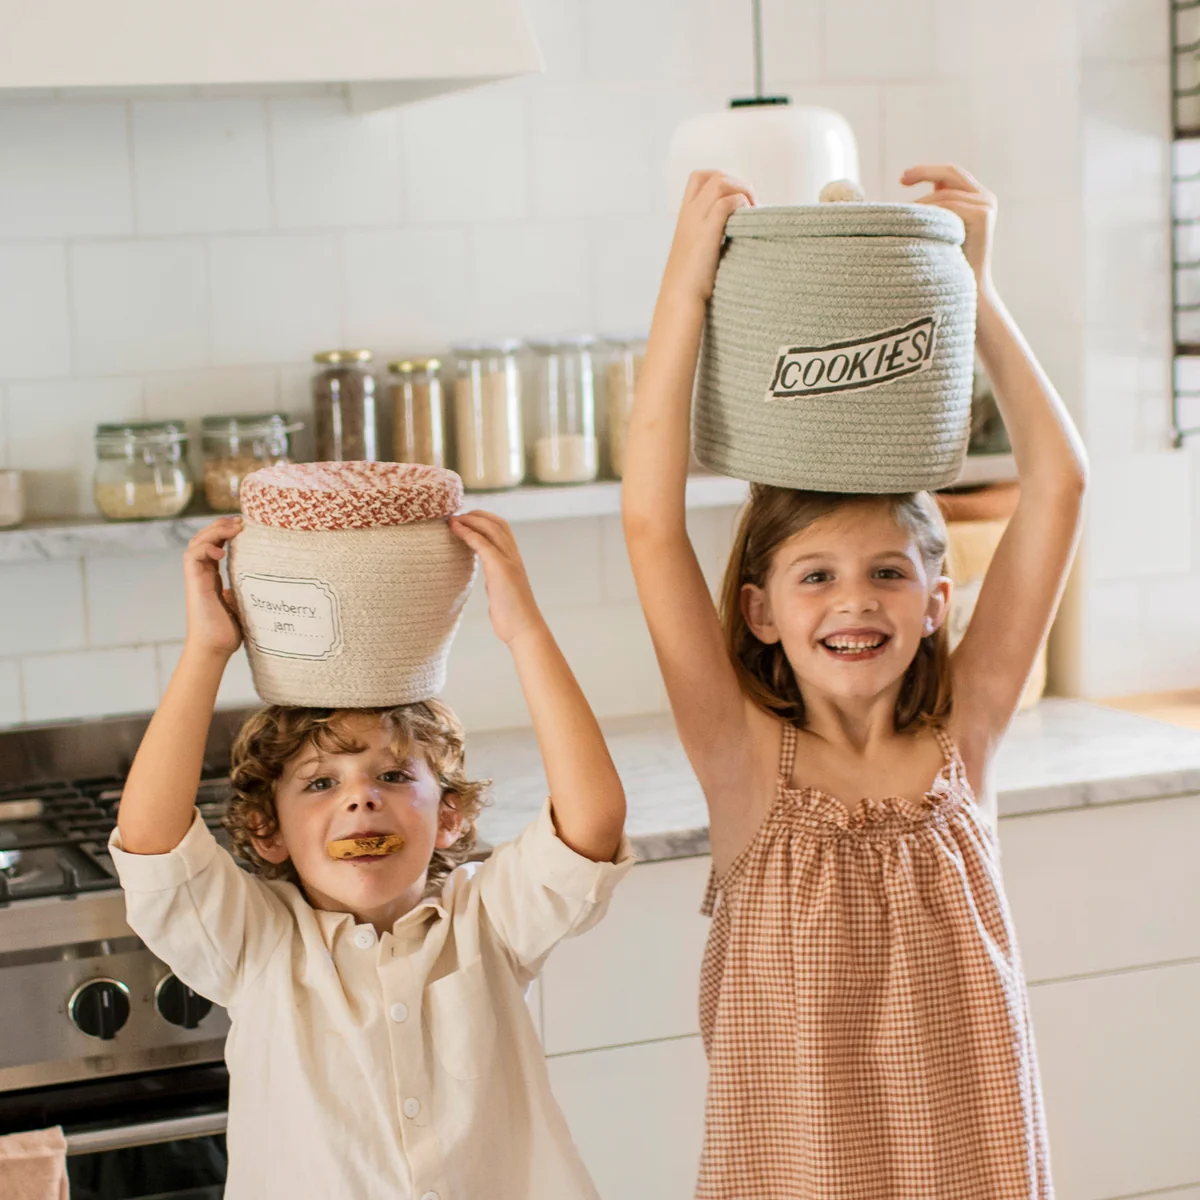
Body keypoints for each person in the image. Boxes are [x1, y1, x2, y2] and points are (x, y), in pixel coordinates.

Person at [622, 165, 1087, 1198]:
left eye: (888, 574)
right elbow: (650, 525)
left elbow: (1060, 484)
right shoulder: (742, 758)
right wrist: (685, 284)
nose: (856, 603)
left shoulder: (964, 737)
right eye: (816, 577)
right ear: (760, 612)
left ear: (936, 600)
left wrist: (977, 286)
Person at [112, 509, 631, 1200]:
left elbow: (592, 822)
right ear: (268, 830)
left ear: (448, 815)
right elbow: (153, 842)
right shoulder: (258, 945)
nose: (361, 799)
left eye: (392, 775)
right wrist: (207, 650)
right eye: (321, 783)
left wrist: (524, 631)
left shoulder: (489, 925)